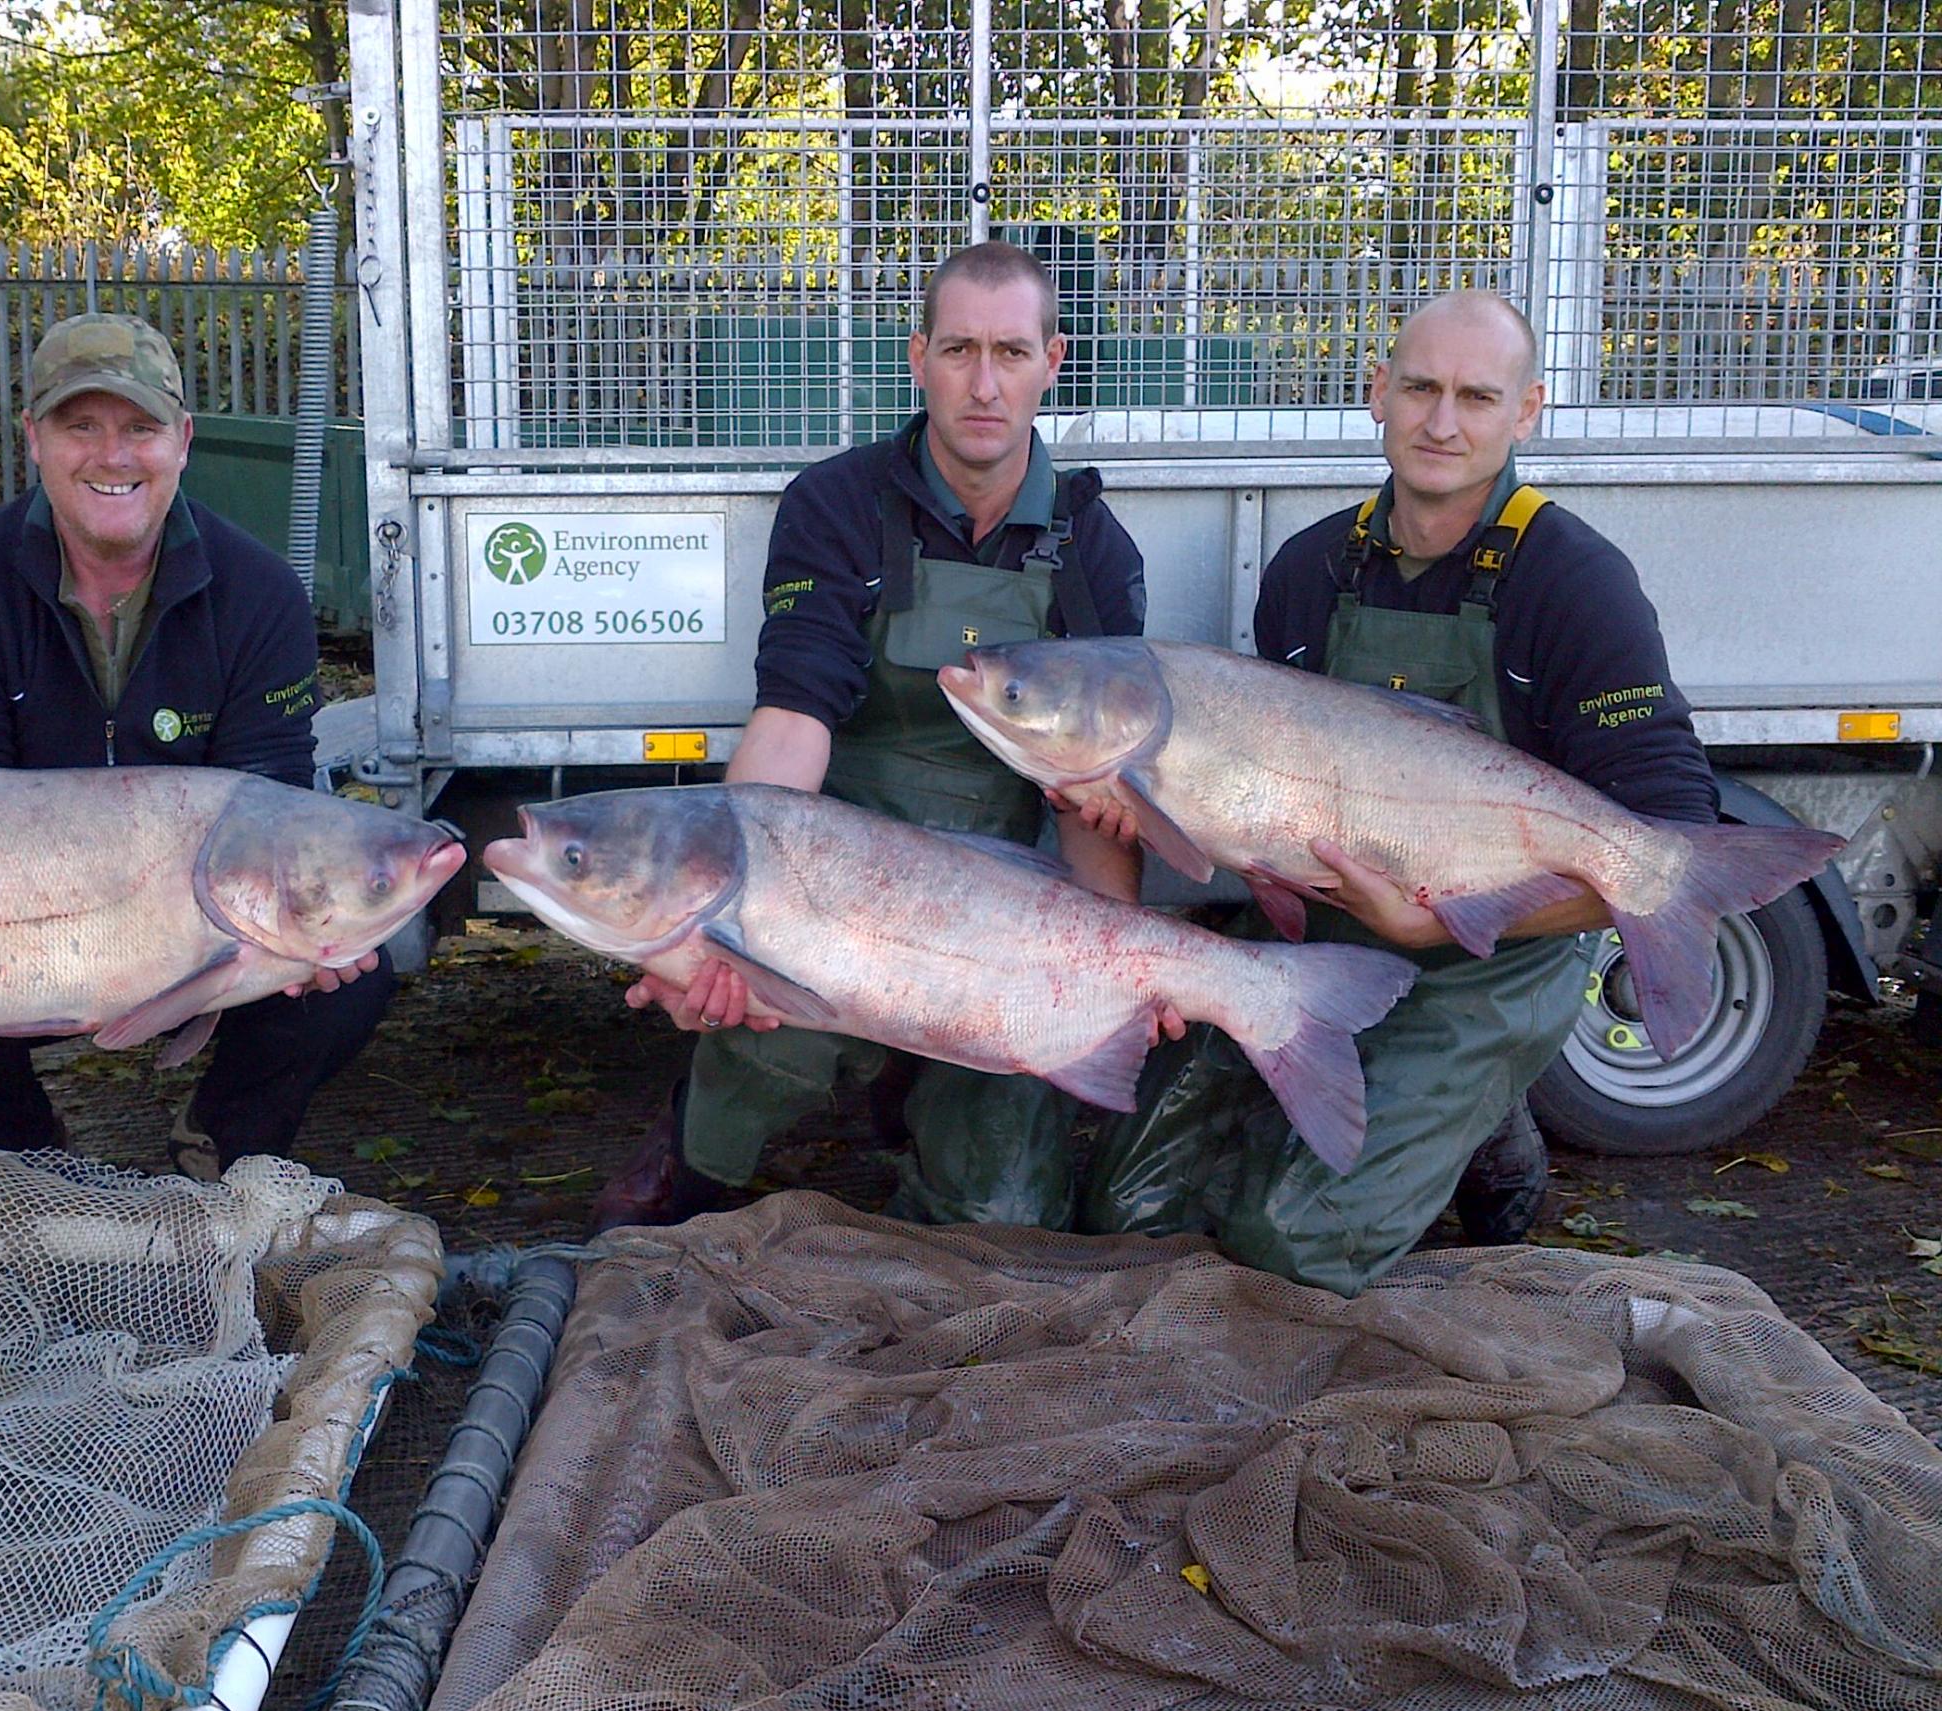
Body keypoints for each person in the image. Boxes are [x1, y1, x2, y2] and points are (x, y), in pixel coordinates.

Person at [1079, 290, 1719, 1293]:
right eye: (1419, 387)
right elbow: (1258, 791)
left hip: (1496, 959)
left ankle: (1479, 1105)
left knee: (1289, 1247)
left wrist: (1434, 929)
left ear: (1527, 411)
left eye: (1476, 395)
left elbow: (1670, 827)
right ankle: (1459, 1115)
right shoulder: (1308, 570)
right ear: (1377, 392)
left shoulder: (1577, 583)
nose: (1442, 420)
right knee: (1130, 1207)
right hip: (1326, 943)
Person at [594, 240, 1165, 1233]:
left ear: (1053, 362)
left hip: (1001, 889)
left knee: (1004, 1213)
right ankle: (692, 1153)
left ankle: (925, 1107)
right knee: (765, 1036)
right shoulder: (836, 504)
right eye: (958, 351)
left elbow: (1091, 801)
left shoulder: (1095, 552)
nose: (984, 384)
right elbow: (792, 716)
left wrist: (1123, 954)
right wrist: (715, 923)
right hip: (836, 865)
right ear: (918, 359)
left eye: (1011, 353)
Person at [0, 312, 396, 1179]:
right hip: (11, 933)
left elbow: (272, 805)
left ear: (182, 439)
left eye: (139, 428)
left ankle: (221, 1143)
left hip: (199, 939)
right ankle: (14, 1160)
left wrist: (290, 935)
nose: (113, 456)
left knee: (356, 965)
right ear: (33, 438)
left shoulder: (262, 595)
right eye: (80, 426)